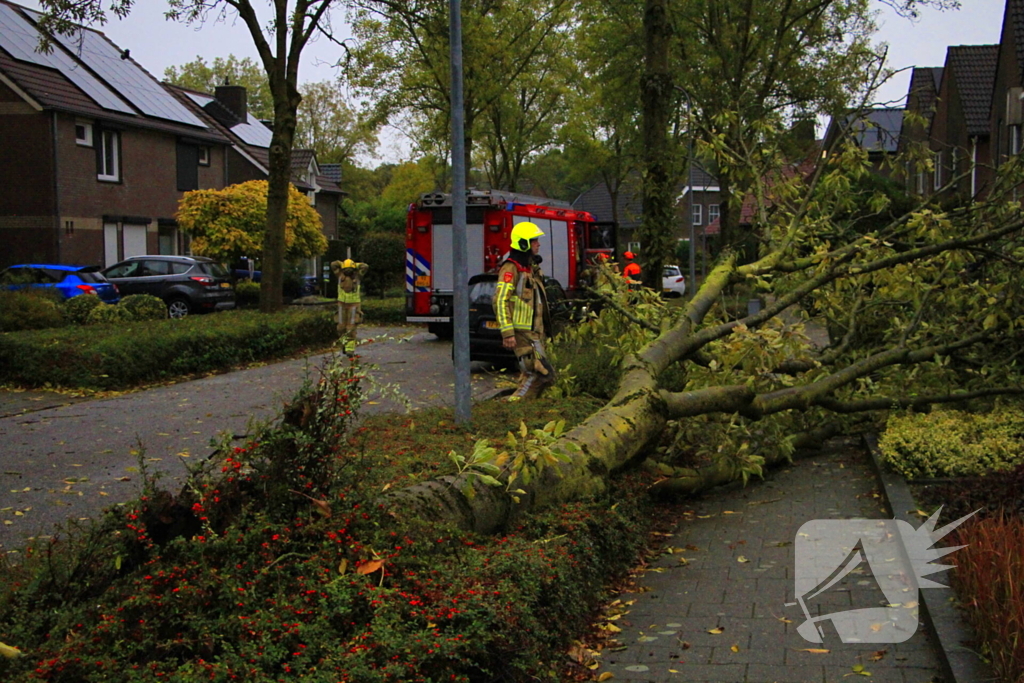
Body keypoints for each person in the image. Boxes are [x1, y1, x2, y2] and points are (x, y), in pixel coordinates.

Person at [494, 221, 556, 401]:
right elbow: (499, 300)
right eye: (534, 240)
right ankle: (513, 405)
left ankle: (528, 405)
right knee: (536, 372)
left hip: (534, 332)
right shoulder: (510, 269)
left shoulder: (529, 269)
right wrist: (507, 333)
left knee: (541, 374)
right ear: (524, 243)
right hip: (522, 333)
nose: (538, 244)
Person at [330, 258, 369, 355]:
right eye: (346, 269)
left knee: (350, 328)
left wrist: (355, 265)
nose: (348, 271)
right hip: (341, 305)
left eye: (350, 269)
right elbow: (333, 264)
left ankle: (349, 349)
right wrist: (343, 264)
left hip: (354, 305)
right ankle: (344, 343)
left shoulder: (358, 276)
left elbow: (365, 266)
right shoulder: (339, 275)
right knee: (340, 328)